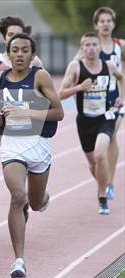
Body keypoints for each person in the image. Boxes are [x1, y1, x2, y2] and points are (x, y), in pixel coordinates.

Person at [0, 33, 64, 278]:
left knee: (34, 202)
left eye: (24, 50)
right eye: (15, 50)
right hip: (12, 146)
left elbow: (58, 112)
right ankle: (19, 261)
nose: (19, 54)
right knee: (17, 197)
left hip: (39, 146)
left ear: (32, 55)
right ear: (8, 53)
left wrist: (28, 112)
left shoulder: (39, 76)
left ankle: (42, 198)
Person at [59, 32, 123, 215]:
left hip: (105, 118)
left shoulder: (109, 66)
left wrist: (121, 97)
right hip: (84, 122)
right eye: (87, 45)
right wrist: (79, 87)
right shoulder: (75, 67)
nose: (91, 48)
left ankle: (102, 196)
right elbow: (60, 93)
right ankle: (102, 184)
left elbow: (121, 77)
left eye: (94, 45)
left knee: (100, 157)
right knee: (92, 163)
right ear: (82, 48)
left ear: (100, 48)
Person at [93, 7, 125, 200]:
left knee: (112, 135)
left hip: (116, 98)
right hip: (95, 101)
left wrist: (123, 94)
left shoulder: (120, 45)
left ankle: (110, 182)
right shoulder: (90, 45)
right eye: (102, 21)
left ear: (113, 24)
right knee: (95, 143)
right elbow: (75, 67)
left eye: (108, 21)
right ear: (96, 25)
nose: (105, 24)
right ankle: (102, 174)